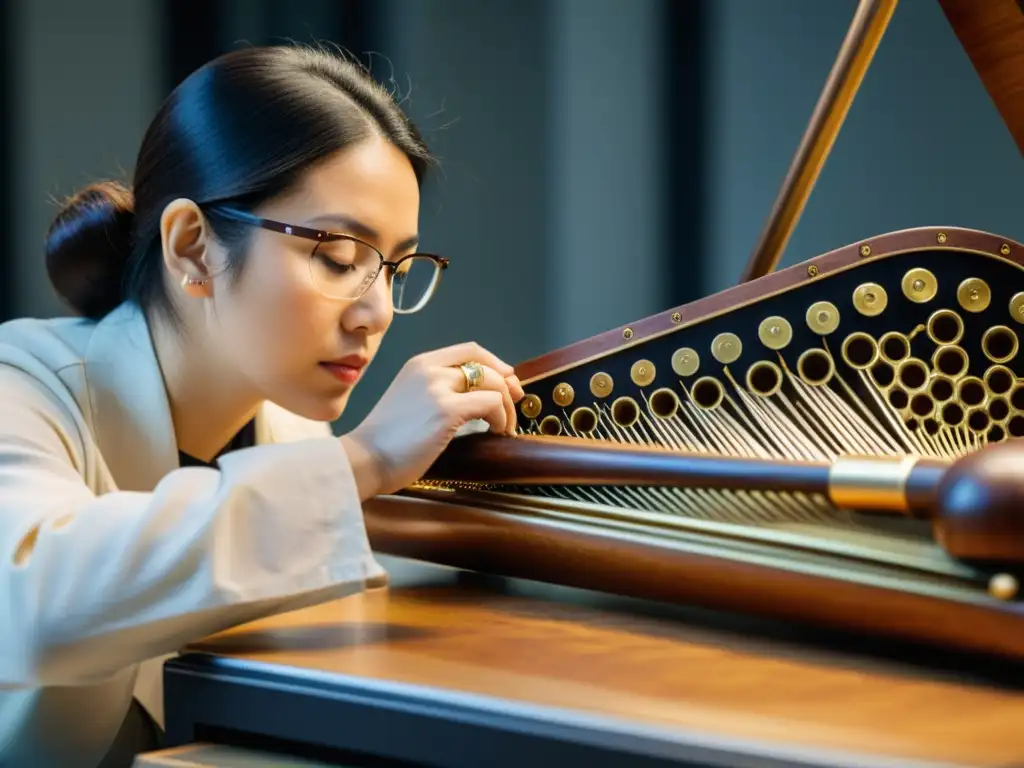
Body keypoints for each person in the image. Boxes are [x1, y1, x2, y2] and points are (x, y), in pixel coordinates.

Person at [0, 44, 524, 768]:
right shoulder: (20, 383)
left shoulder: (294, 426)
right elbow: (31, 609)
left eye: (395, 268)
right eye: (340, 257)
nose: (375, 312)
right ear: (192, 247)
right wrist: (365, 460)